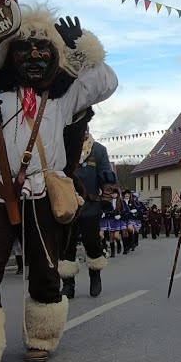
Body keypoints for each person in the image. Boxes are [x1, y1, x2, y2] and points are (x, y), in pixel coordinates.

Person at [0, 9, 116, 362]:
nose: (34, 57)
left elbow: (105, 83)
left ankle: (42, 337)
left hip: (41, 194)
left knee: (45, 270)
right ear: (10, 55)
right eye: (25, 50)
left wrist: (81, 49)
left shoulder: (63, 99)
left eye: (43, 50)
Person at [58, 108, 111, 298]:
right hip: (67, 205)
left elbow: (107, 176)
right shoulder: (63, 148)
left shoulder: (98, 150)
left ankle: (95, 275)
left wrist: (106, 197)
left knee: (92, 242)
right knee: (66, 245)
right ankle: (68, 283)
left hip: (90, 206)